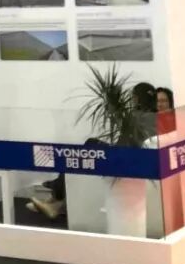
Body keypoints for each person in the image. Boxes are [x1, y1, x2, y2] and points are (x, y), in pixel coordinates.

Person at [32, 80, 158, 220]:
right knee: (87, 149)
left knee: (85, 148)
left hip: (125, 160)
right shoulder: (156, 117)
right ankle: (54, 200)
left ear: (137, 98)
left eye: (133, 97)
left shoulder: (136, 117)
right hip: (135, 159)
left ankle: (56, 194)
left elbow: (123, 145)